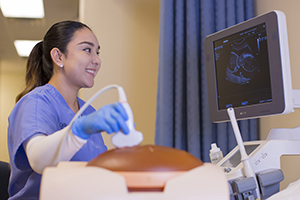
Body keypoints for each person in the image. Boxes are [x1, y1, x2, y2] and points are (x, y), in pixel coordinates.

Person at [7, 20, 130, 199]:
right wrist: (78, 130)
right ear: (58, 57)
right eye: (87, 50)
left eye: (97, 52)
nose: (97, 60)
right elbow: (38, 159)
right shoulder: (35, 103)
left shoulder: (88, 112)